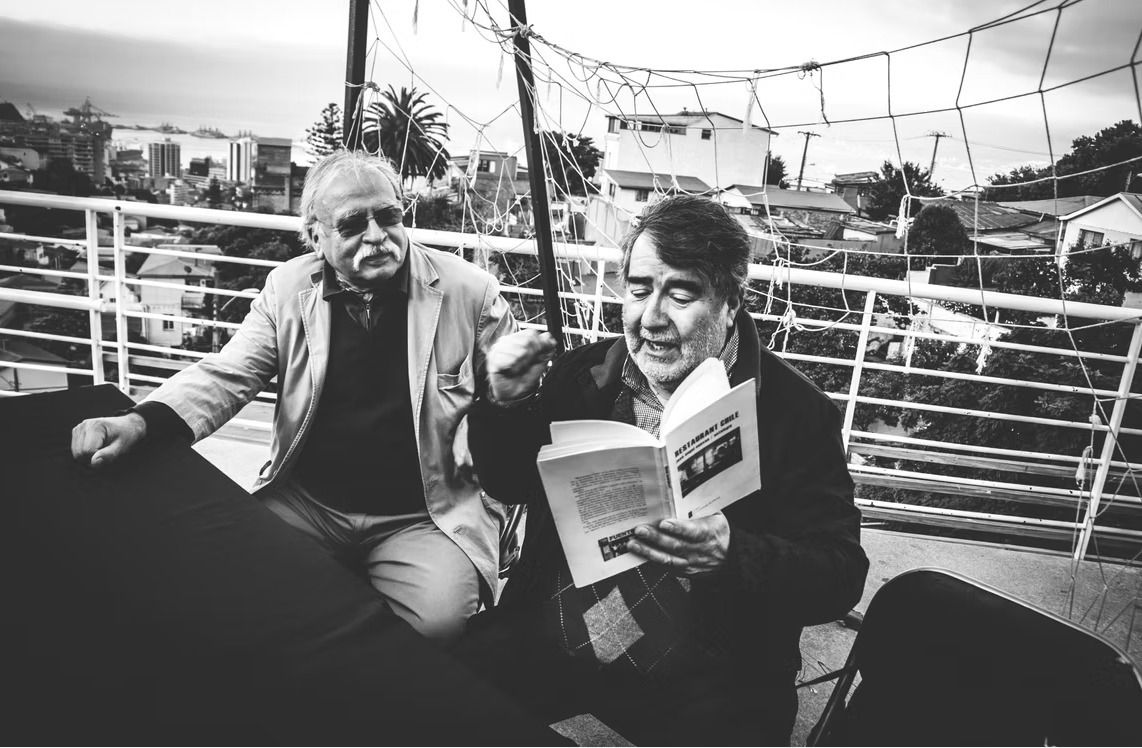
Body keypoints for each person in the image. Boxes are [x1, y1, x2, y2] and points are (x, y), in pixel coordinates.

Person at [455, 194, 869, 745]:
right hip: (555, 632)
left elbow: (841, 576)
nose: (650, 318)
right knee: (437, 698)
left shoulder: (796, 411)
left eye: (681, 294)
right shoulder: (584, 373)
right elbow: (508, 482)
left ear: (730, 302)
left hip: (708, 675)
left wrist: (734, 553)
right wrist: (502, 405)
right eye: (638, 289)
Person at [71, 150, 517, 642]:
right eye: (353, 224)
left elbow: (517, 406)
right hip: (308, 505)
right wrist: (140, 422)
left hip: (423, 516)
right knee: (227, 593)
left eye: (389, 217)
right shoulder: (287, 289)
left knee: (438, 628)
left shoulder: (470, 292)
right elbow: (229, 374)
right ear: (315, 235)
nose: (377, 236)